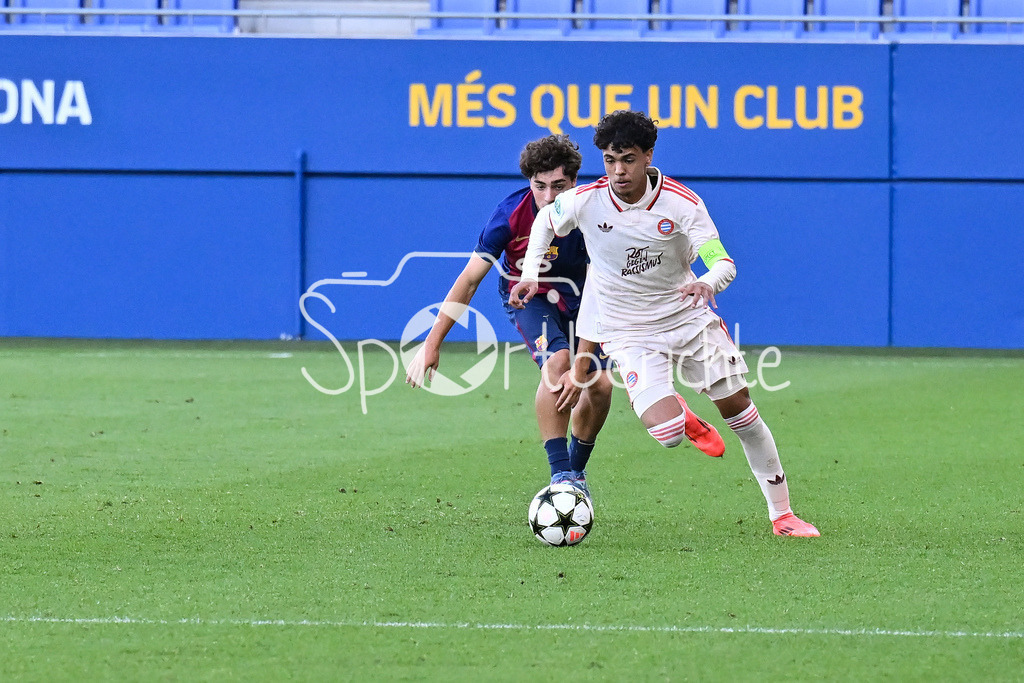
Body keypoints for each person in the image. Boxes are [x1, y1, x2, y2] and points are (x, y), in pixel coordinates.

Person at [509, 112, 819, 537]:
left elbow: (723, 262)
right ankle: (682, 415)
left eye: (629, 160)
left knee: (742, 415)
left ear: (648, 156)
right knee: (669, 433)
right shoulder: (586, 200)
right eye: (610, 160)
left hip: (688, 320)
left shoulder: (682, 203)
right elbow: (545, 220)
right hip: (629, 332)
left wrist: (708, 282)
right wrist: (530, 273)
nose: (618, 170)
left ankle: (783, 515)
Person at [406, 134, 724, 497]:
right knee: (557, 363)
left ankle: (578, 469)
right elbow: (468, 280)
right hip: (531, 300)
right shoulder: (509, 216)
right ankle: (562, 475)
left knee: (600, 385)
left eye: (558, 186)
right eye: (539, 186)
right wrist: (432, 343)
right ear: (529, 183)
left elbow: (603, 282)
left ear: (574, 182)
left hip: (591, 298)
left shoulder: (591, 209)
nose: (548, 197)